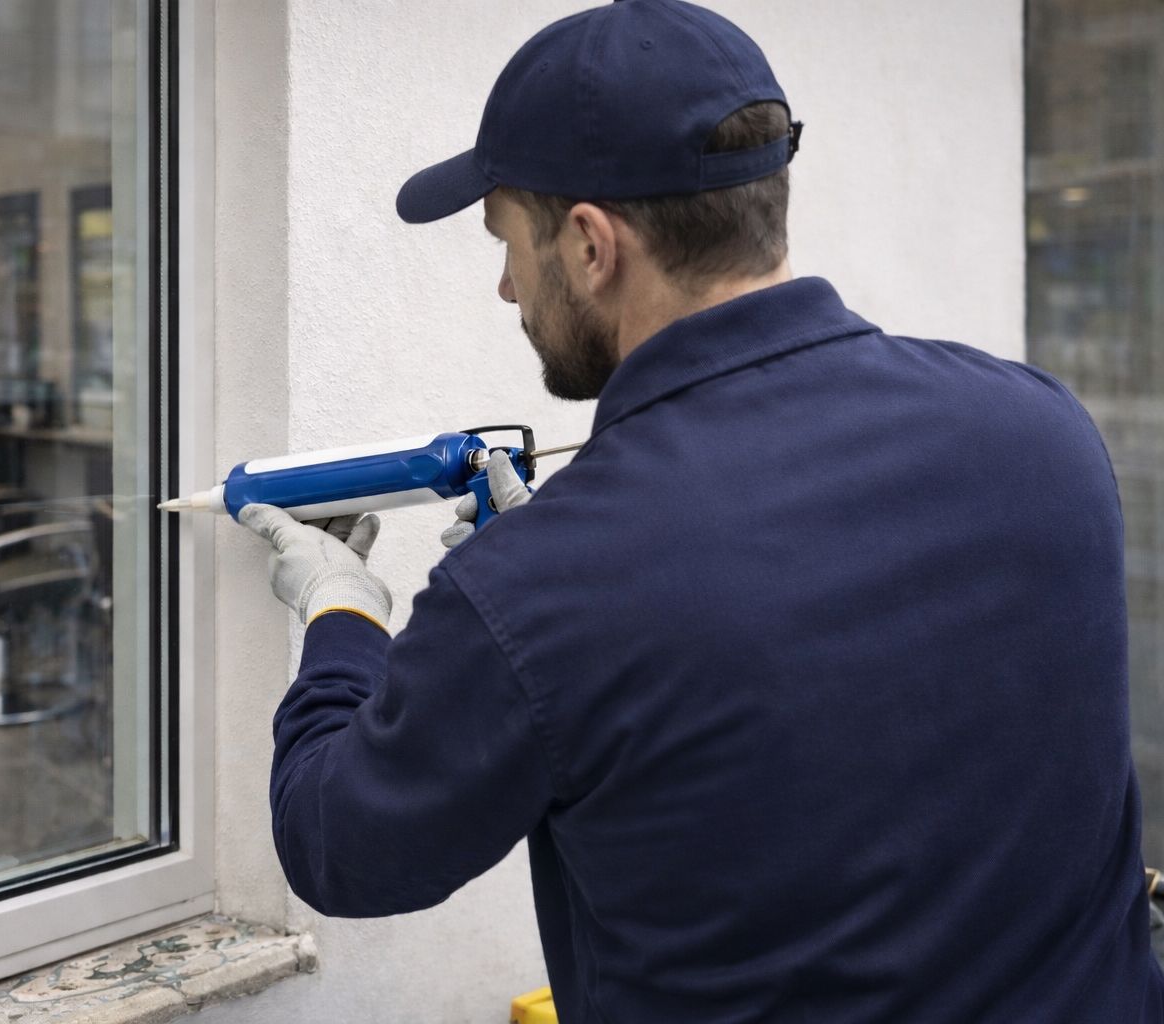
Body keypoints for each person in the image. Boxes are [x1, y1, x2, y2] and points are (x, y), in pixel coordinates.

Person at [239, 1, 1164, 1020]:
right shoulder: (1042, 430)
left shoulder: (547, 584)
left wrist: (344, 614)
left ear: (590, 246)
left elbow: (343, 847)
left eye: (507, 242)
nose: (505, 288)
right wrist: (548, 608)